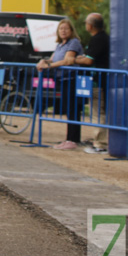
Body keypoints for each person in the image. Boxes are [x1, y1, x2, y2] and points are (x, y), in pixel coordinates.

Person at [37, 19, 84, 150]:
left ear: (71, 30)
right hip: (62, 79)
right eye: (61, 29)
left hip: (72, 79)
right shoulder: (60, 45)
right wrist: (43, 61)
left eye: (66, 28)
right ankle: (69, 138)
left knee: (73, 109)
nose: (63, 31)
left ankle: (73, 139)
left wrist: (49, 65)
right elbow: (52, 59)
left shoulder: (73, 42)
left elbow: (67, 60)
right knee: (67, 109)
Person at [74, 13, 110, 153]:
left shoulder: (98, 39)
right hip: (100, 81)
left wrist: (75, 60)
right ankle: (99, 142)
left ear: (90, 25)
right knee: (98, 112)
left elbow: (88, 60)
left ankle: (100, 144)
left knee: (98, 113)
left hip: (98, 82)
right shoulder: (102, 38)